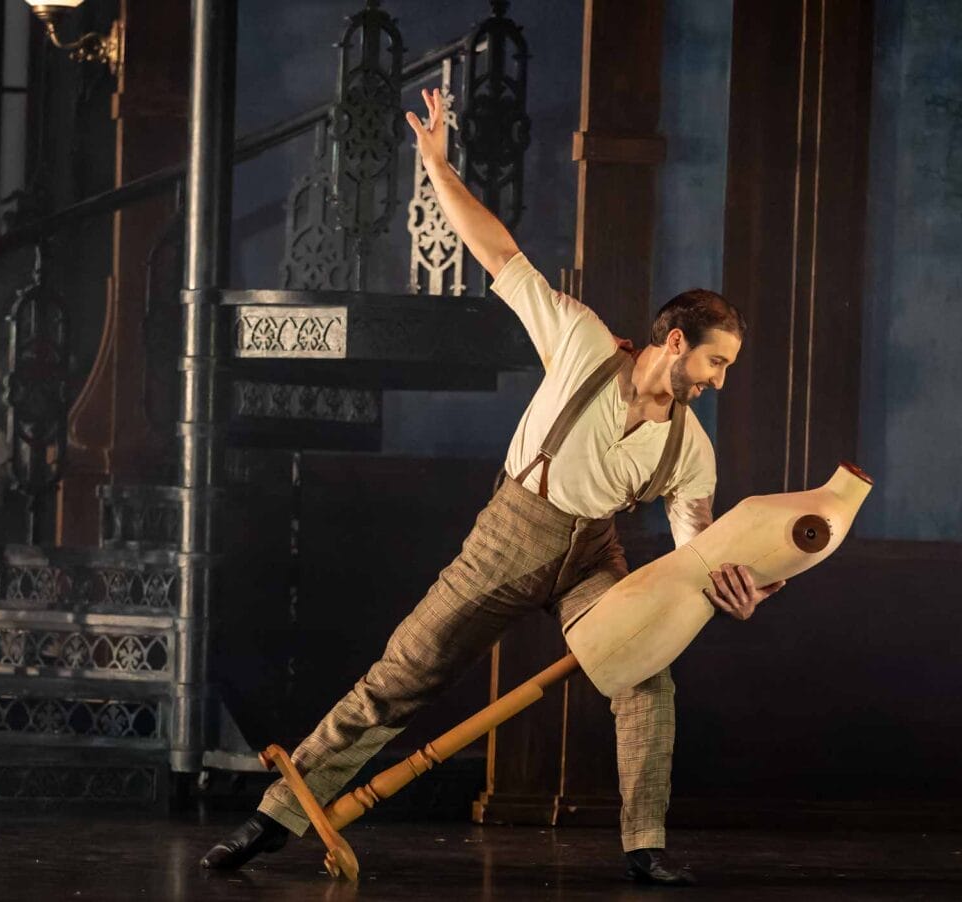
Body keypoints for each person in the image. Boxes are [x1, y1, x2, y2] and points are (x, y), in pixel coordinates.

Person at [201, 88, 785, 886]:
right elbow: (499, 254)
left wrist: (733, 587)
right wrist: (437, 166)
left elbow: (693, 551)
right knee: (404, 672)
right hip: (512, 533)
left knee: (647, 677)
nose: (718, 382)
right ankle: (272, 818)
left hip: (592, 559)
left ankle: (644, 848)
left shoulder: (692, 450)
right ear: (675, 341)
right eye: (715, 363)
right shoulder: (582, 342)